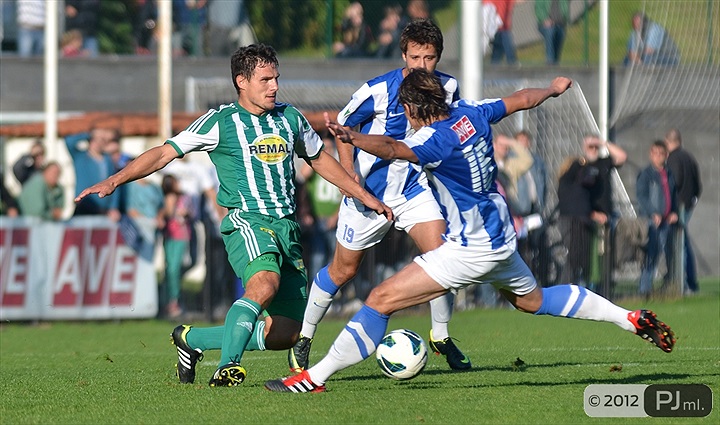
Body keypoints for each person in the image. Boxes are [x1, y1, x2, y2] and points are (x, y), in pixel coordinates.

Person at [265, 70, 676, 393]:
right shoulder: (474, 114)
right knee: (533, 301)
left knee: (379, 300)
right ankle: (627, 318)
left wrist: (351, 136)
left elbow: (392, 149)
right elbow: (520, 101)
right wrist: (551, 89)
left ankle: (313, 377)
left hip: (470, 249)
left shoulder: (433, 139)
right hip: (501, 237)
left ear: (412, 109)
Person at [74, 43, 391, 387]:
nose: (275, 86)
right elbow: (164, 153)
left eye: (276, 78)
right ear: (242, 81)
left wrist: (360, 193)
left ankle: (191, 340)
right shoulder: (220, 122)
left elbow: (317, 158)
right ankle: (228, 365)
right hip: (248, 221)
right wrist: (114, 180)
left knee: (285, 332)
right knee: (263, 284)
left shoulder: (290, 118)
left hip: (287, 227)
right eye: (266, 79)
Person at [288, 19, 471, 374]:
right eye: (415, 57)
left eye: (429, 57)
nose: (422, 65)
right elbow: (343, 127)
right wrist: (348, 176)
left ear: (439, 57)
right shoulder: (378, 90)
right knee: (343, 270)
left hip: (414, 191)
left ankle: (441, 335)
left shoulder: (448, 87)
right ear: (403, 55)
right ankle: (305, 337)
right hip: (370, 196)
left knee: (442, 257)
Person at [557, 135, 626, 288]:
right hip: (585, 217)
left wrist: (602, 142)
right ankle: (573, 287)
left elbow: (621, 157)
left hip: (598, 217)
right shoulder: (575, 174)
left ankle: (601, 288)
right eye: (590, 147)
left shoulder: (602, 164)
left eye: (595, 147)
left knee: (601, 257)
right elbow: (575, 195)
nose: (593, 150)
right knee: (579, 256)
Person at [636, 141, 678, 297]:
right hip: (652, 222)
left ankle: (671, 288)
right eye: (656, 153)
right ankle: (644, 290)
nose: (659, 157)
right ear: (651, 154)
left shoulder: (669, 173)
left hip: (667, 222)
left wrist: (674, 212)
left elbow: (673, 195)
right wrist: (653, 213)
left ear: (666, 155)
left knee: (668, 254)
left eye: (662, 153)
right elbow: (642, 196)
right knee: (650, 255)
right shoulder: (646, 174)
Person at [664, 128, 701, 293]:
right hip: (687, 206)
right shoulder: (689, 157)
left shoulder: (673, 158)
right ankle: (691, 281)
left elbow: (675, 181)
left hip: (677, 207)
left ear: (668, 141)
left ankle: (682, 283)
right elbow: (698, 186)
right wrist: (692, 201)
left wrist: (671, 204)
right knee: (684, 243)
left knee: (679, 245)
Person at [65, 127, 122, 220]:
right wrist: (90, 133)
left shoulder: (108, 160)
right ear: (90, 141)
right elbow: (69, 141)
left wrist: (114, 208)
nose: (100, 143)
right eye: (97, 140)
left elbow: (114, 182)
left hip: (104, 211)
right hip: (84, 206)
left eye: (102, 140)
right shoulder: (80, 157)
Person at [161, 174, 194, 319]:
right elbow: (168, 214)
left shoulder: (185, 197)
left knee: (176, 268)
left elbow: (191, 213)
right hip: (171, 235)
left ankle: (174, 298)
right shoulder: (168, 198)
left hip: (182, 235)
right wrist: (171, 203)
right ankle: (170, 300)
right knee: (170, 268)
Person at [535, 0, 569, 65]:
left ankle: (556, 64)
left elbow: (565, 9)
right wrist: (544, 20)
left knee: (559, 42)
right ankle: (549, 61)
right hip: (546, 25)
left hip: (560, 24)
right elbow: (538, 9)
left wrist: (564, 20)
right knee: (550, 32)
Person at [488, 0, 517, 65]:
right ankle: (512, 64)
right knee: (508, 48)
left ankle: (494, 66)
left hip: (501, 27)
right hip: (501, 28)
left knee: (498, 50)